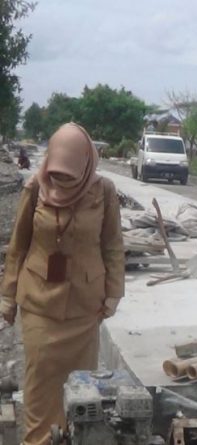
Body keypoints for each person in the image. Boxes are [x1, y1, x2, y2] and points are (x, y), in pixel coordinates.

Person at [0, 123, 125, 445]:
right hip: (39, 304)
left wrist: (113, 294)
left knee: (80, 387)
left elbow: (111, 246)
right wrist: (7, 297)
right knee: (40, 383)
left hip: (85, 307)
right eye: (56, 174)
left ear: (85, 164)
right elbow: (18, 247)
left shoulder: (104, 191)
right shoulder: (34, 188)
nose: (61, 182)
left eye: (69, 175)